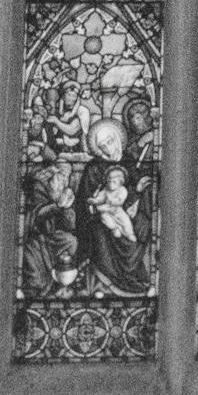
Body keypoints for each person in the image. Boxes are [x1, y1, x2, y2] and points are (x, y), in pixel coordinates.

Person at [73, 118, 151, 294]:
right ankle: (104, 280)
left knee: (141, 223)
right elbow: (85, 201)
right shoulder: (93, 168)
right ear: (98, 150)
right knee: (100, 233)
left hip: (126, 213)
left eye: (110, 141)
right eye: (103, 146)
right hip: (100, 218)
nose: (108, 148)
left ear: (117, 139)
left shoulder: (129, 161)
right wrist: (96, 206)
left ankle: (134, 272)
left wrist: (138, 192)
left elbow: (135, 187)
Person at [21, 161, 78, 296]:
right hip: (36, 235)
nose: (64, 181)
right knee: (34, 268)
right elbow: (36, 214)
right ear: (53, 174)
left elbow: (70, 226)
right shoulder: (39, 187)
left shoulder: (63, 192)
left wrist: (67, 210)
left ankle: (60, 277)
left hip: (53, 235)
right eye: (61, 176)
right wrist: (56, 206)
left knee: (71, 241)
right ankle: (40, 287)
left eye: (66, 178)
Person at [89, 165, 138, 242]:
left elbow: (120, 200)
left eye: (114, 182)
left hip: (117, 210)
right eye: (109, 181)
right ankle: (114, 229)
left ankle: (129, 234)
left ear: (121, 182)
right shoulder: (106, 189)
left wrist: (112, 201)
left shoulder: (122, 190)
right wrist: (95, 201)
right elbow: (100, 198)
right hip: (107, 210)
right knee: (104, 217)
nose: (111, 184)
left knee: (125, 221)